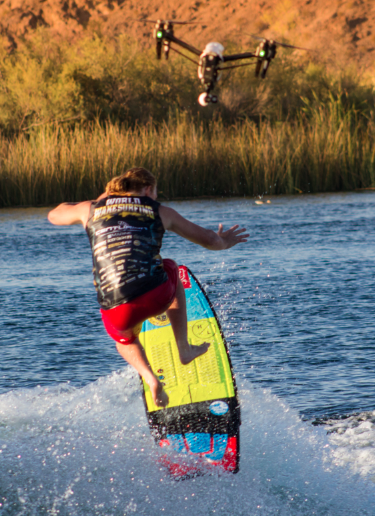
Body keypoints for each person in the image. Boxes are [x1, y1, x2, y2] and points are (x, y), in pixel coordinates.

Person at [47, 167, 249, 408]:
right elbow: (210, 240)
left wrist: (95, 200)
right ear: (147, 189)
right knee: (172, 267)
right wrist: (225, 242)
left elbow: (54, 214)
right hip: (154, 293)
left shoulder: (89, 209)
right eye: (155, 192)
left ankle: (151, 378)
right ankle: (184, 348)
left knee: (124, 340)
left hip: (114, 308)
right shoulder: (161, 211)